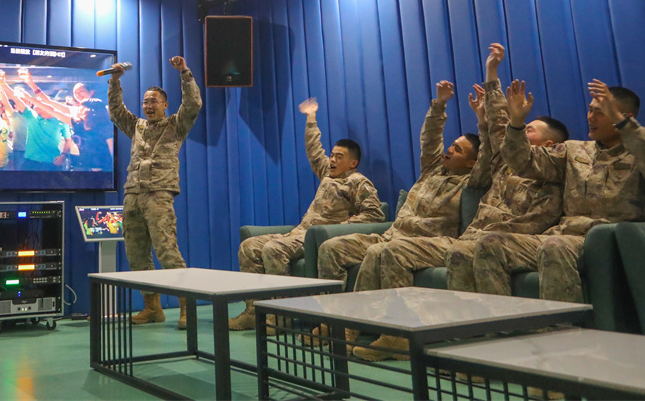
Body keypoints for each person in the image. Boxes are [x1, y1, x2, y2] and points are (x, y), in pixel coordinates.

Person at [355, 45, 568, 299]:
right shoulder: (499, 167)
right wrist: (490, 71)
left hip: (491, 241)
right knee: (364, 249)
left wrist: (490, 117)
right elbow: (497, 127)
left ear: (549, 145)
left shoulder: (550, 173)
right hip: (465, 239)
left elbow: (494, 138)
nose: (449, 150)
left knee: (446, 250)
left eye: (528, 129)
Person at [471, 78, 645, 303]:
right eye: (590, 110)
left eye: (600, 112)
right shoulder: (573, 150)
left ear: (625, 117)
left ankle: (563, 323)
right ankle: (502, 321)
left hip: (615, 241)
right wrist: (516, 123)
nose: (591, 117)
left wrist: (625, 126)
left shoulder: (643, 155)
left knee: (555, 247)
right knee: (490, 244)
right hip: (564, 238)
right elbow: (520, 162)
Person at [316, 79, 481, 360]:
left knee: (385, 251)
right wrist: (439, 105)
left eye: (458, 149)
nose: (450, 150)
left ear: (472, 163)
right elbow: (430, 139)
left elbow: (492, 157)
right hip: (394, 234)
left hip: (432, 241)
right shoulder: (432, 170)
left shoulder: (473, 180)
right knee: (332, 248)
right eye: (452, 145)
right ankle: (335, 322)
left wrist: (484, 119)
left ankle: (395, 335)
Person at [228, 97, 384, 331]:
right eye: (332, 155)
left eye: (339, 157)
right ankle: (253, 311)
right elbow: (314, 151)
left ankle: (281, 316)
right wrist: (311, 118)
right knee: (249, 246)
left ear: (353, 163)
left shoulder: (358, 182)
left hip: (318, 237)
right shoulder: (328, 174)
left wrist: (341, 227)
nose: (332, 159)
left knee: (274, 249)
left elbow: (375, 214)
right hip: (299, 233)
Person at [109, 55, 202, 330]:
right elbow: (116, 112)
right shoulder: (136, 126)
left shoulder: (176, 125)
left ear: (165, 105)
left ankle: (186, 307)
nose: (148, 106)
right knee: (136, 255)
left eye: (154, 102)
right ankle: (152, 308)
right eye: (145, 102)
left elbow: (193, 104)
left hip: (159, 193)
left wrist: (184, 72)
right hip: (133, 194)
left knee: (167, 252)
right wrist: (114, 81)